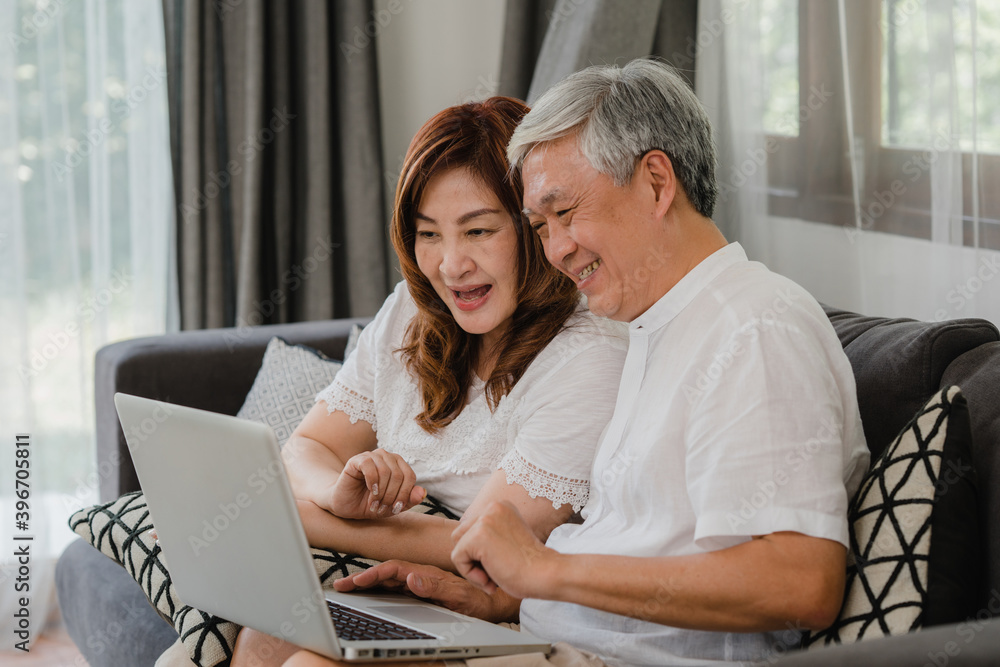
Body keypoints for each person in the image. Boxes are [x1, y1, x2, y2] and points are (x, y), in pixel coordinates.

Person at [287, 59, 871, 667]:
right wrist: (507, 602)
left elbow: (801, 583)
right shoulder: (654, 328)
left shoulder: (754, 326)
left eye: (565, 213)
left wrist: (545, 572)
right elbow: (640, 548)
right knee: (295, 636)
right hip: (551, 638)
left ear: (655, 183)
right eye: (539, 225)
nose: (556, 250)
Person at [213, 97, 627, 667]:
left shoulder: (589, 352)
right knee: (261, 637)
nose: (451, 265)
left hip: (494, 595)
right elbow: (307, 448)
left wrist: (309, 517)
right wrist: (338, 493)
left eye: (478, 230)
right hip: (397, 575)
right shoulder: (414, 307)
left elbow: (487, 545)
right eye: (428, 234)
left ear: (535, 228)